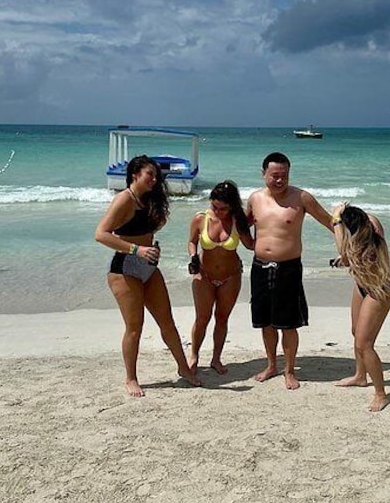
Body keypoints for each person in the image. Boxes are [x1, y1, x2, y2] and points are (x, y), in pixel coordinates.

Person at [95, 155, 201, 397]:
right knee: (135, 327)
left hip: (149, 267)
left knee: (167, 323)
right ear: (135, 175)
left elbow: (148, 227)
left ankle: (184, 368)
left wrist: (150, 245)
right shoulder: (124, 199)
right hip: (125, 268)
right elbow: (101, 234)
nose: (154, 179)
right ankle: (131, 378)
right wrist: (138, 249)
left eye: (156, 175)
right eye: (149, 174)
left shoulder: (150, 200)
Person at [246, 152, 335, 390]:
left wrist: (351, 247)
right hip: (260, 268)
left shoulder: (302, 198)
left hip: (289, 269)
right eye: (274, 175)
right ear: (263, 173)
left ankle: (289, 370)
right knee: (265, 322)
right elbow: (240, 226)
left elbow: (329, 222)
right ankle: (271, 364)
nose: (279, 180)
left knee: (288, 324)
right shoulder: (254, 199)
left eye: (283, 175)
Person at [330, 203, 390, 412]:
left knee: (364, 343)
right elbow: (349, 257)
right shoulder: (366, 229)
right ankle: (360, 376)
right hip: (363, 286)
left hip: (381, 290)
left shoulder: (369, 234)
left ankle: (381, 394)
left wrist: (335, 218)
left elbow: (343, 247)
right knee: (355, 331)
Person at [187, 180, 254, 374]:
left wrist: (262, 224)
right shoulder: (201, 219)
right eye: (214, 206)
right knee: (202, 318)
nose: (217, 211)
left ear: (232, 206)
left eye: (222, 208)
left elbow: (250, 244)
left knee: (222, 318)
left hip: (231, 277)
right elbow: (192, 242)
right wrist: (193, 258)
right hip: (204, 275)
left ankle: (216, 358)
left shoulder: (237, 221)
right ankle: (194, 356)